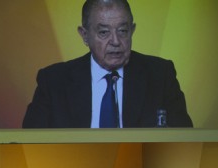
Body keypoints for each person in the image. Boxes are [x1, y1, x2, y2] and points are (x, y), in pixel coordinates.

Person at [22, 0, 192, 129]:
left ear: (132, 31)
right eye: (104, 32)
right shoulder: (53, 81)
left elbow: (183, 138)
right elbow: (29, 142)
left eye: (122, 31)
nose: (116, 41)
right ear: (85, 35)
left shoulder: (160, 75)